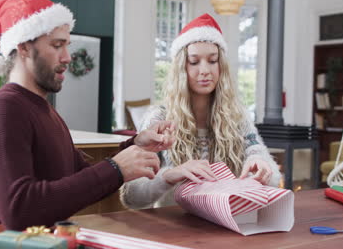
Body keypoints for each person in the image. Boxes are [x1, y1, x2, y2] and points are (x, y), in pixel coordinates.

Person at [0, 0, 174, 230]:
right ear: (24, 48)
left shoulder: (45, 110)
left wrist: (136, 146)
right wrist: (116, 169)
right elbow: (19, 211)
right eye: (57, 45)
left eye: (67, 46)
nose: (68, 57)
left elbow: (81, 179)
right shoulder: (4, 109)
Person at [120, 14, 281, 209]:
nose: (205, 70)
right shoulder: (159, 119)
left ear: (221, 66)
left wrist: (260, 162)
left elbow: (271, 175)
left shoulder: (237, 116)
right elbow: (131, 196)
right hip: (174, 225)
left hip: (227, 222)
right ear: (181, 68)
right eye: (194, 62)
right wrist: (168, 176)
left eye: (212, 61)